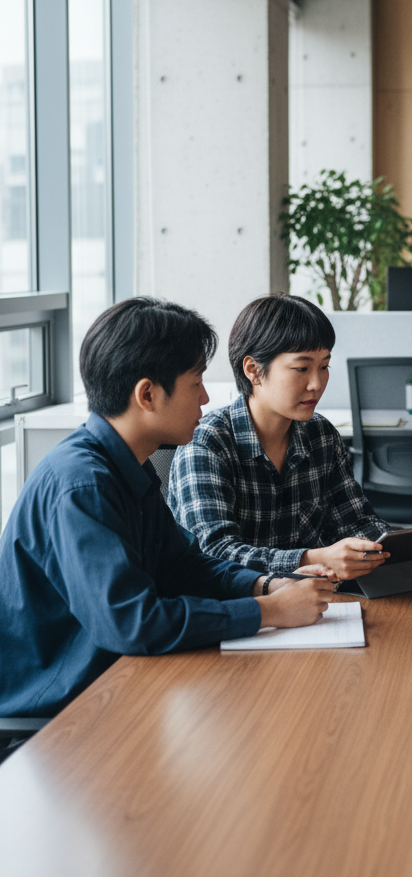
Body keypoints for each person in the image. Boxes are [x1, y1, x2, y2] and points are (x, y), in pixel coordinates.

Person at [0, 297, 342, 725]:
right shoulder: (83, 485)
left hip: (118, 679)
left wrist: (266, 585)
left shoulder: (127, 466)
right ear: (147, 394)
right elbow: (133, 622)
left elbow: (184, 566)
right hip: (57, 710)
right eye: (195, 381)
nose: (205, 395)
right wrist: (270, 612)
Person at [168, 294, 392, 579]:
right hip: (239, 608)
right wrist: (310, 558)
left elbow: (354, 521)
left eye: (324, 366)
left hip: (317, 600)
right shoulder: (207, 444)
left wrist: (389, 548)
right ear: (253, 371)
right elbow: (215, 553)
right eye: (302, 368)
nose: (317, 383)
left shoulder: (321, 434)